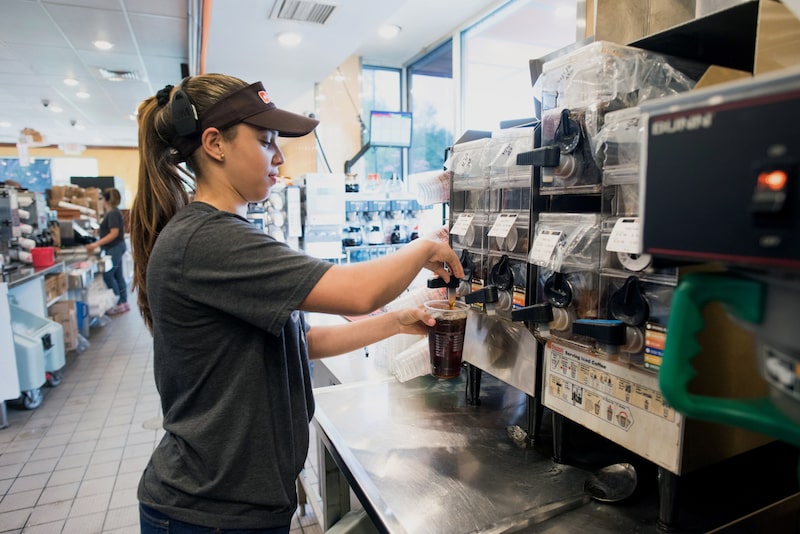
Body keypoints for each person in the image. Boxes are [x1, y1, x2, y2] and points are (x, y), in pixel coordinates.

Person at [130, 73, 465, 533]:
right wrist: (425, 247)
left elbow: (301, 341)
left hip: (235, 503)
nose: (280, 156)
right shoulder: (207, 238)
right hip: (208, 512)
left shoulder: (220, 234)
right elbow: (356, 291)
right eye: (267, 141)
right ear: (214, 143)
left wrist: (396, 321)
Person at [85, 187, 129, 314]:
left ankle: (117, 302)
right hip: (116, 247)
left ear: (106, 199)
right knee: (118, 275)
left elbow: (113, 233)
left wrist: (96, 244)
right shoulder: (113, 213)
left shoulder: (113, 213)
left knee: (109, 275)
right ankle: (123, 302)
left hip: (114, 247)